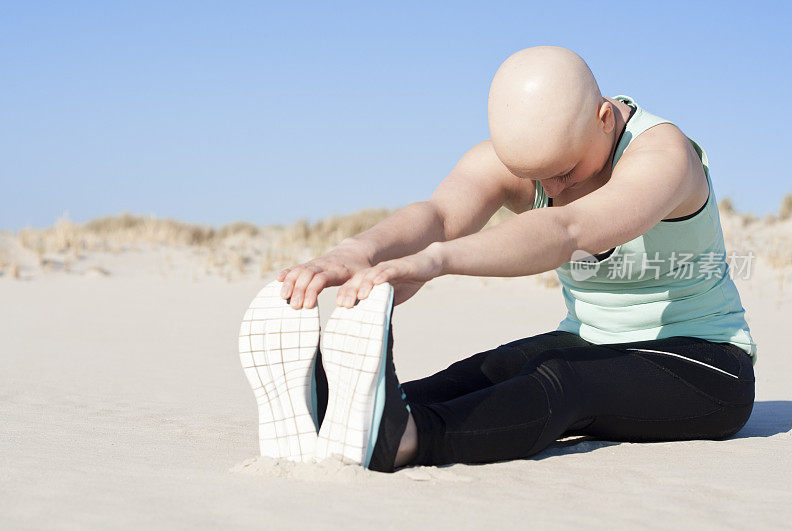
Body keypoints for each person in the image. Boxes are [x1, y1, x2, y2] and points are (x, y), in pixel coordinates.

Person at [239, 46, 756, 472]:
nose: (551, 188)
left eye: (563, 171)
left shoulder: (664, 158)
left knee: (563, 383)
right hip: (591, 338)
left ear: (604, 119)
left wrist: (435, 263)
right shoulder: (532, 160)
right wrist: (353, 253)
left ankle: (408, 440)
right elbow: (441, 214)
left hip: (705, 365)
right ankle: (335, 417)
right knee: (484, 372)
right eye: (534, 176)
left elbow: (566, 228)